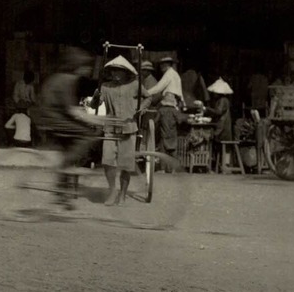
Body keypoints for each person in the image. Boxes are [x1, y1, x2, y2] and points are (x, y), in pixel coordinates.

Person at [32, 47, 104, 207]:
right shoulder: (68, 80)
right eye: (86, 66)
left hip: (50, 118)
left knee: (69, 150)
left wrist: (87, 117)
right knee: (88, 134)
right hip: (56, 120)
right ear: (76, 66)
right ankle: (66, 170)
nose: (88, 69)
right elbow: (71, 109)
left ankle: (62, 194)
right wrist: (95, 120)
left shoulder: (57, 78)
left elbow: (68, 107)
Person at [98, 55, 141, 205]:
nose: (116, 73)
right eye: (113, 70)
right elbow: (94, 105)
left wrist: (139, 108)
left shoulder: (135, 84)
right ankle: (112, 191)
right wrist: (95, 98)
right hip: (110, 129)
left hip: (128, 129)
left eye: (119, 71)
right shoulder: (105, 87)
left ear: (126, 72)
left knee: (126, 164)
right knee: (108, 161)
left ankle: (122, 194)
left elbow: (148, 97)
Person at [142, 55, 185, 164]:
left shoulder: (169, 74)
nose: (161, 67)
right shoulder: (174, 74)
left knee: (164, 136)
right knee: (170, 136)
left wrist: (144, 93)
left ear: (167, 65)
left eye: (162, 65)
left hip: (169, 106)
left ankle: (163, 164)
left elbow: (158, 88)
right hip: (173, 106)